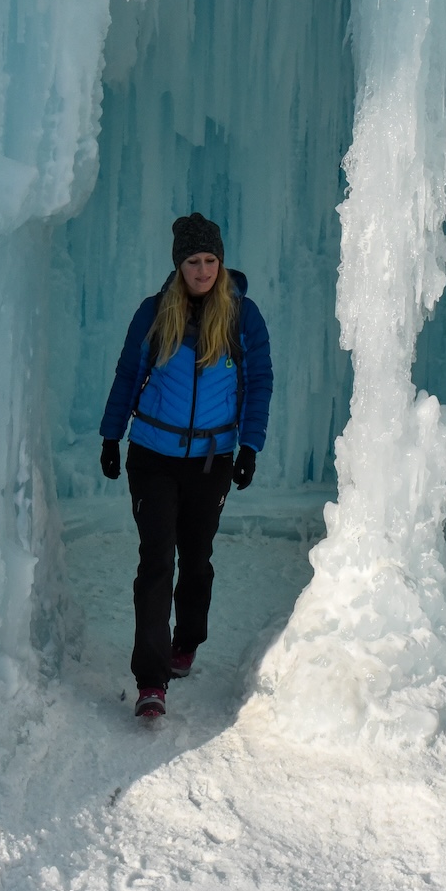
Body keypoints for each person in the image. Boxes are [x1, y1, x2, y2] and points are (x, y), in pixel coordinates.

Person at [99, 213, 273, 719]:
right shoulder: (155, 313)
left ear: (222, 262)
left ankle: (187, 639)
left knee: (195, 559)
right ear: (179, 264)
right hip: (152, 455)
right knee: (157, 561)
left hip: (210, 461)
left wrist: (250, 447)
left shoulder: (244, 317)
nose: (203, 271)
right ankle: (151, 681)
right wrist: (112, 437)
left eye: (210, 261)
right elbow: (129, 374)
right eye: (193, 262)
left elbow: (259, 381)